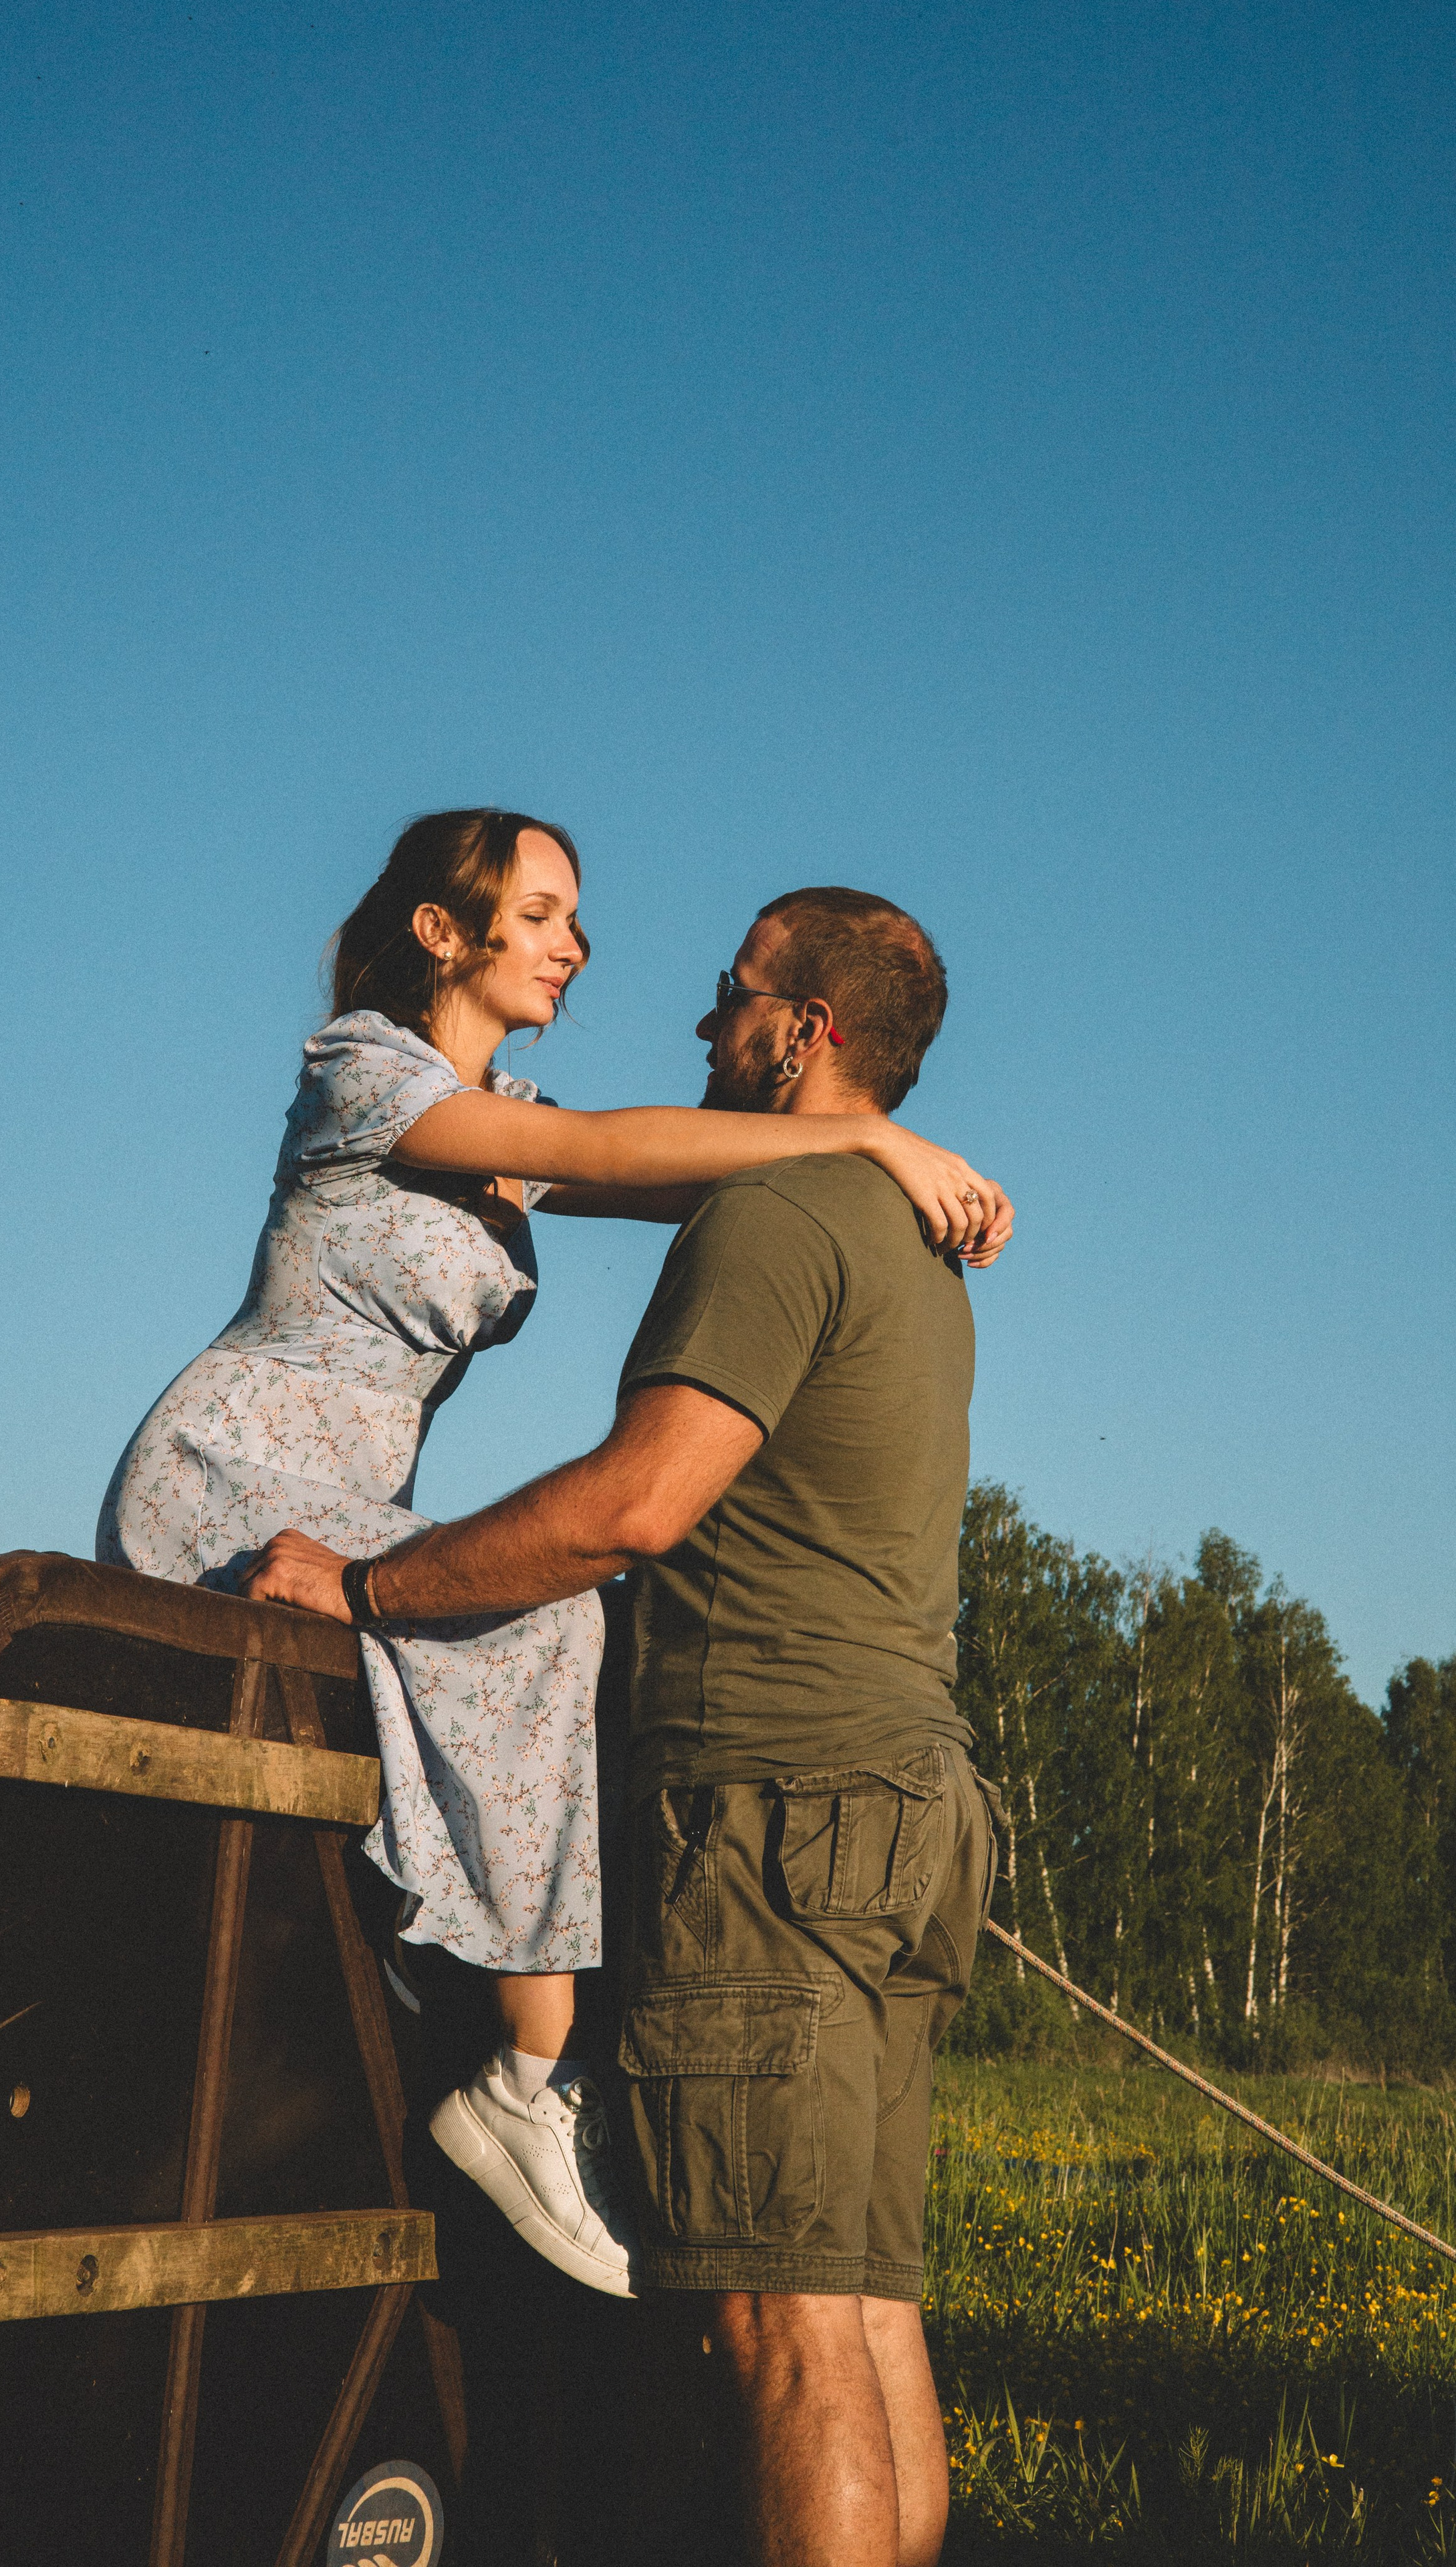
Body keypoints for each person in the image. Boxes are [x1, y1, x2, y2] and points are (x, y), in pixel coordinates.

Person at [247, 881, 996, 2566]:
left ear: (798, 1030)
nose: (700, 1024)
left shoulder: (781, 1220)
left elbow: (636, 1505)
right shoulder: (908, 1244)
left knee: (768, 2330)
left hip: (768, 1811)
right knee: (867, 2324)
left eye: (730, 996)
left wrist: (375, 1591)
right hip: (903, 1806)